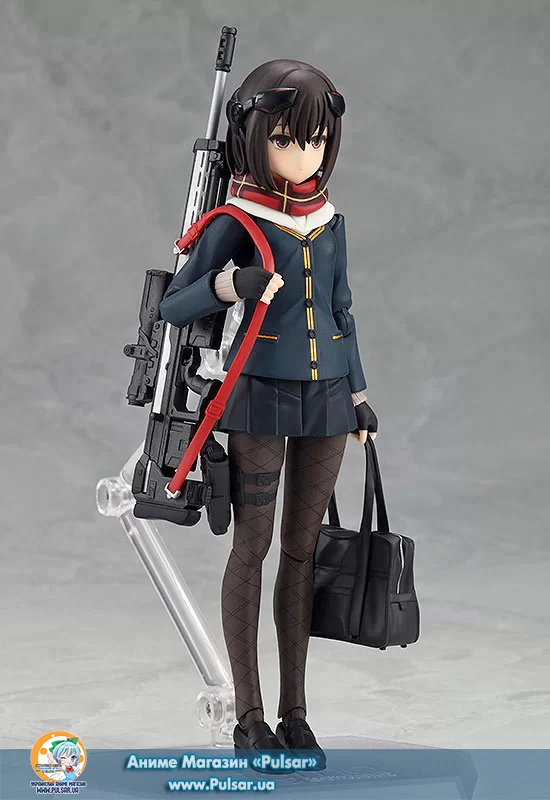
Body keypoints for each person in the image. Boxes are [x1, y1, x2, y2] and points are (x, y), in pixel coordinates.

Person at [159, 59, 378, 769]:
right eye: (287, 138)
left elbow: (343, 311)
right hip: (257, 393)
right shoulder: (237, 218)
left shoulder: (330, 221)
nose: (303, 153)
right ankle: (249, 717)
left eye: (316, 139)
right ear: (254, 138)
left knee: (302, 552)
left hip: (328, 397)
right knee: (251, 550)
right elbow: (174, 304)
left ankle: (296, 713)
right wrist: (230, 284)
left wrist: (359, 394)